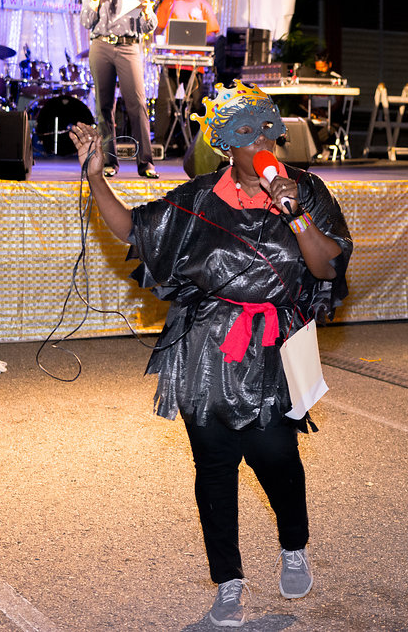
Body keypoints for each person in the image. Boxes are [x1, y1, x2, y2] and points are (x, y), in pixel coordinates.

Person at [68, 80, 352, 627]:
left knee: (275, 455)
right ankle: (228, 582)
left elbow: (326, 267)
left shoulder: (307, 190)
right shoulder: (199, 199)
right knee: (215, 467)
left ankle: (293, 545)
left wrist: (294, 214)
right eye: (249, 132)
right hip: (206, 348)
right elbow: (133, 229)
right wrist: (96, 175)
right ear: (224, 143)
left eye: (270, 128)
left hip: (274, 347)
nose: (265, 140)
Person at [80, 0, 157, 178]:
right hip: (101, 46)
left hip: (128, 47)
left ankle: (146, 163)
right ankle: (109, 162)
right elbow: (86, 21)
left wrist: (147, 10)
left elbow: (148, 26)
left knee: (137, 104)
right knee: (104, 107)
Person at [153, 0, 221, 154]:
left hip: (194, 65)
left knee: (196, 103)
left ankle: (194, 147)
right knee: (164, 102)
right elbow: (158, 30)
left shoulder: (203, 6)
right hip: (171, 63)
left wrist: (196, 41)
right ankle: (159, 144)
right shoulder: (171, 2)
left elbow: (213, 36)